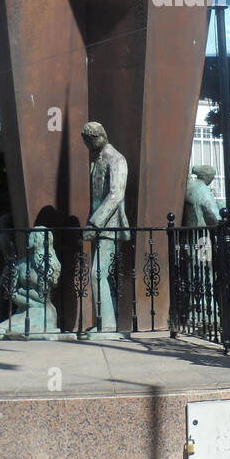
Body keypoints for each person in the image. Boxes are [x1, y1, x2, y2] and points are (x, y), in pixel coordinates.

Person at [81, 122, 129, 332]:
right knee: (101, 275)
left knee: (97, 274)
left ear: (95, 138)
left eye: (87, 142)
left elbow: (116, 195)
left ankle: (108, 325)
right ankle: (103, 322)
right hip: (100, 228)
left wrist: (94, 223)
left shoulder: (116, 159)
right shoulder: (98, 160)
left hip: (110, 226)